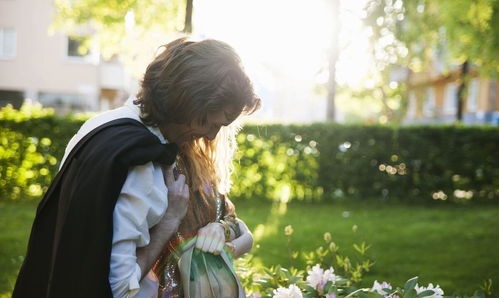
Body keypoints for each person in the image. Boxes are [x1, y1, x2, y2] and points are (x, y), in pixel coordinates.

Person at [13, 37, 261, 298]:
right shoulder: (143, 162)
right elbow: (118, 288)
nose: (210, 137)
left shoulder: (102, 126)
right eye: (209, 123)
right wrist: (169, 221)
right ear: (187, 104)